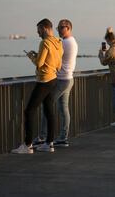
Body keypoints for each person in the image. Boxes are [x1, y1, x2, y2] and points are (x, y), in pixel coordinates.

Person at [12, 18, 63, 154]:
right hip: (53, 79)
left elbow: (39, 63)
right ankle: (49, 144)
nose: (38, 33)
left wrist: (31, 56)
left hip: (44, 80)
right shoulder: (58, 42)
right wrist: (40, 57)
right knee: (48, 111)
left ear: (45, 28)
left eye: (39, 30)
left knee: (29, 111)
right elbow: (58, 64)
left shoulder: (45, 42)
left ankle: (27, 145)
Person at [33, 19, 78, 148]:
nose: (58, 30)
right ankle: (63, 137)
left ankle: (43, 136)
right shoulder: (73, 41)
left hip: (61, 79)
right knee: (64, 109)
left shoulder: (64, 42)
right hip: (69, 78)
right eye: (57, 28)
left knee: (47, 106)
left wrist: (37, 57)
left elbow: (51, 56)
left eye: (61, 28)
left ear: (68, 27)